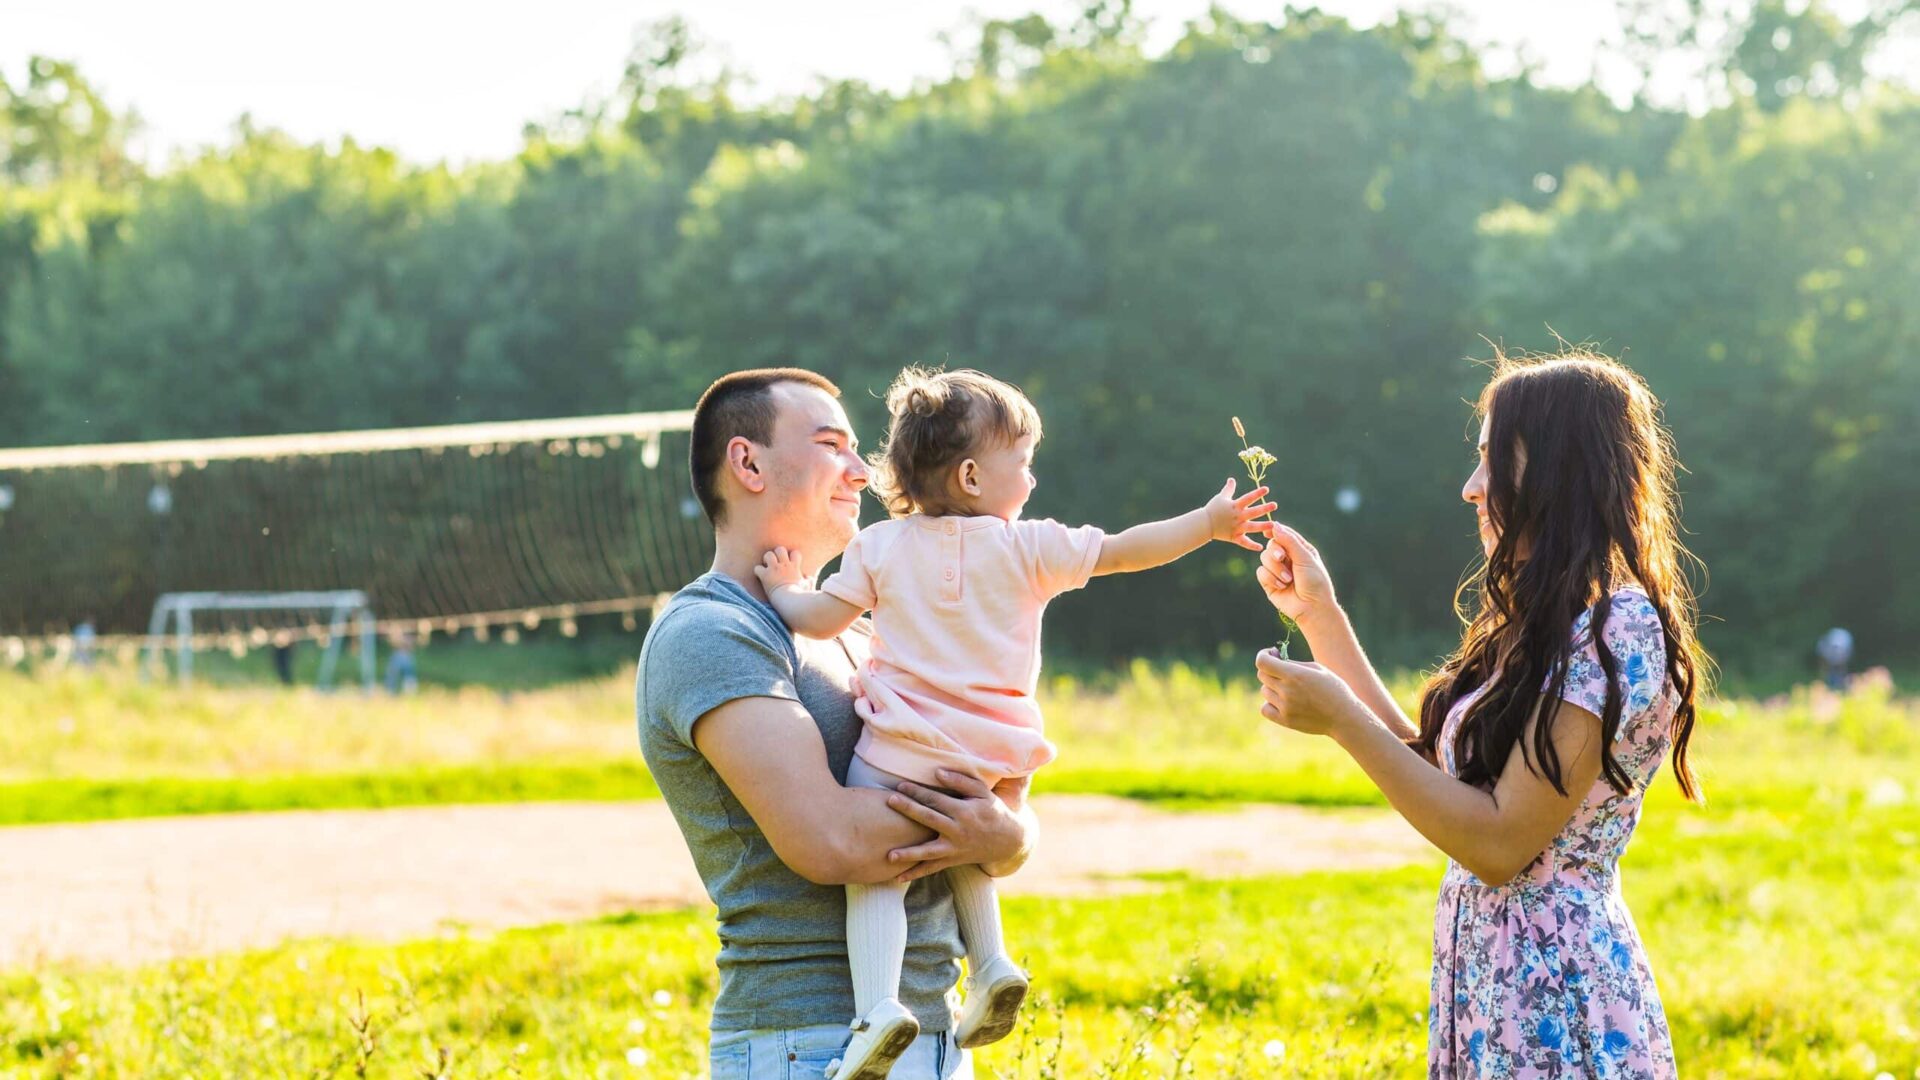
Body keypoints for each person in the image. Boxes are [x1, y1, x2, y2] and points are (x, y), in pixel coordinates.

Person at [756, 367, 1273, 1069]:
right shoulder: (1030, 546)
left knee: (877, 873)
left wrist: (786, 587)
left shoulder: (880, 546)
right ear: (971, 477)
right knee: (965, 834)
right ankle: (993, 962)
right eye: (1022, 465)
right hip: (990, 755)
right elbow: (1127, 550)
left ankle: (878, 1010)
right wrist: (1209, 525)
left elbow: (820, 621)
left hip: (900, 748)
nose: (1030, 483)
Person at [1251, 352, 1707, 1078]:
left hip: (1557, 996)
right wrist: (1320, 617)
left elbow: (1499, 846)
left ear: (1557, 472)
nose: (1470, 489)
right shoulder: (1537, 622)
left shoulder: (1617, 626)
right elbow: (1443, 779)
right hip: (1492, 982)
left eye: (1493, 461)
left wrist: (1342, 722)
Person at [636, 368, 1037, 1080]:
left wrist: (1007, 832)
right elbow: (834, 840)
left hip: (936, 1037)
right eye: (833, 445)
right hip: (809, 1042)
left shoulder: (858, 634)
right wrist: (986, 826)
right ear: (748, 463)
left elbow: (998, 826)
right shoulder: (712, 633)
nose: (865, 470)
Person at [1817, 626, 1853, 690]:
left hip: (1842, 648)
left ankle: (1840, 684)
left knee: (1839, 674)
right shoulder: (1825, 648)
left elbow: (1844, 663)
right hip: (1832, 653)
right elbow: (1823, 662)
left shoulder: (1844, 644)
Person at [384, 629, 419, 694]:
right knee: (392, 673)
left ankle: (410, 691)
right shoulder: (397, 654)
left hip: (406, 657)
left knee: (408, 675)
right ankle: (390, 691)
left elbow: (410, 647)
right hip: (399, 656)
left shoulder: (408, 654)